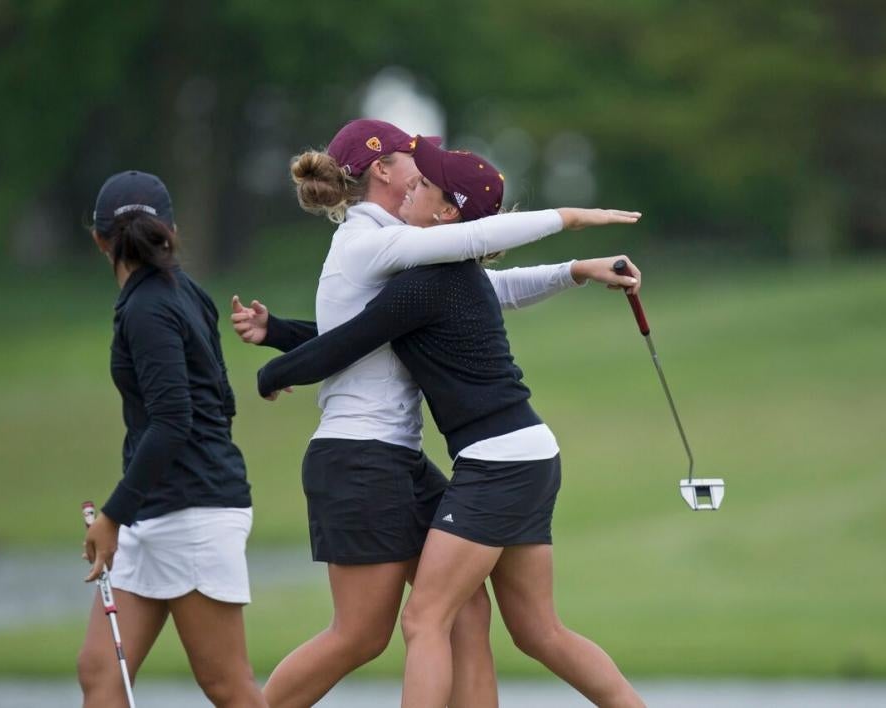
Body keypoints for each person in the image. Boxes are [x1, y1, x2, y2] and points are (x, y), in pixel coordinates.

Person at [231, 119, 641, 708]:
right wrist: (281, 351)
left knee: (448, 616)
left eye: (426, 180)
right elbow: (361, 332)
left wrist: (574, 265)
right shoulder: (383, 248)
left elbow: (377, 325)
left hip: (435, 458)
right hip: (372, 456)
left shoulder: (421, 270)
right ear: (383, 171)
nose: (416, 182)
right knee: (386, 631)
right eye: (414, 170)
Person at [77, 171, 266, 708]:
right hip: (157, 509)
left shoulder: (147, 309)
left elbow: (172, 421)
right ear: (171, 232)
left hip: (192, 512)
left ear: (99, 240)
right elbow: (222, 402)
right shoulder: (185, 293)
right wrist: (128, 512)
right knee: (100, 672)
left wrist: (113, 513)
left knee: (227, 685)